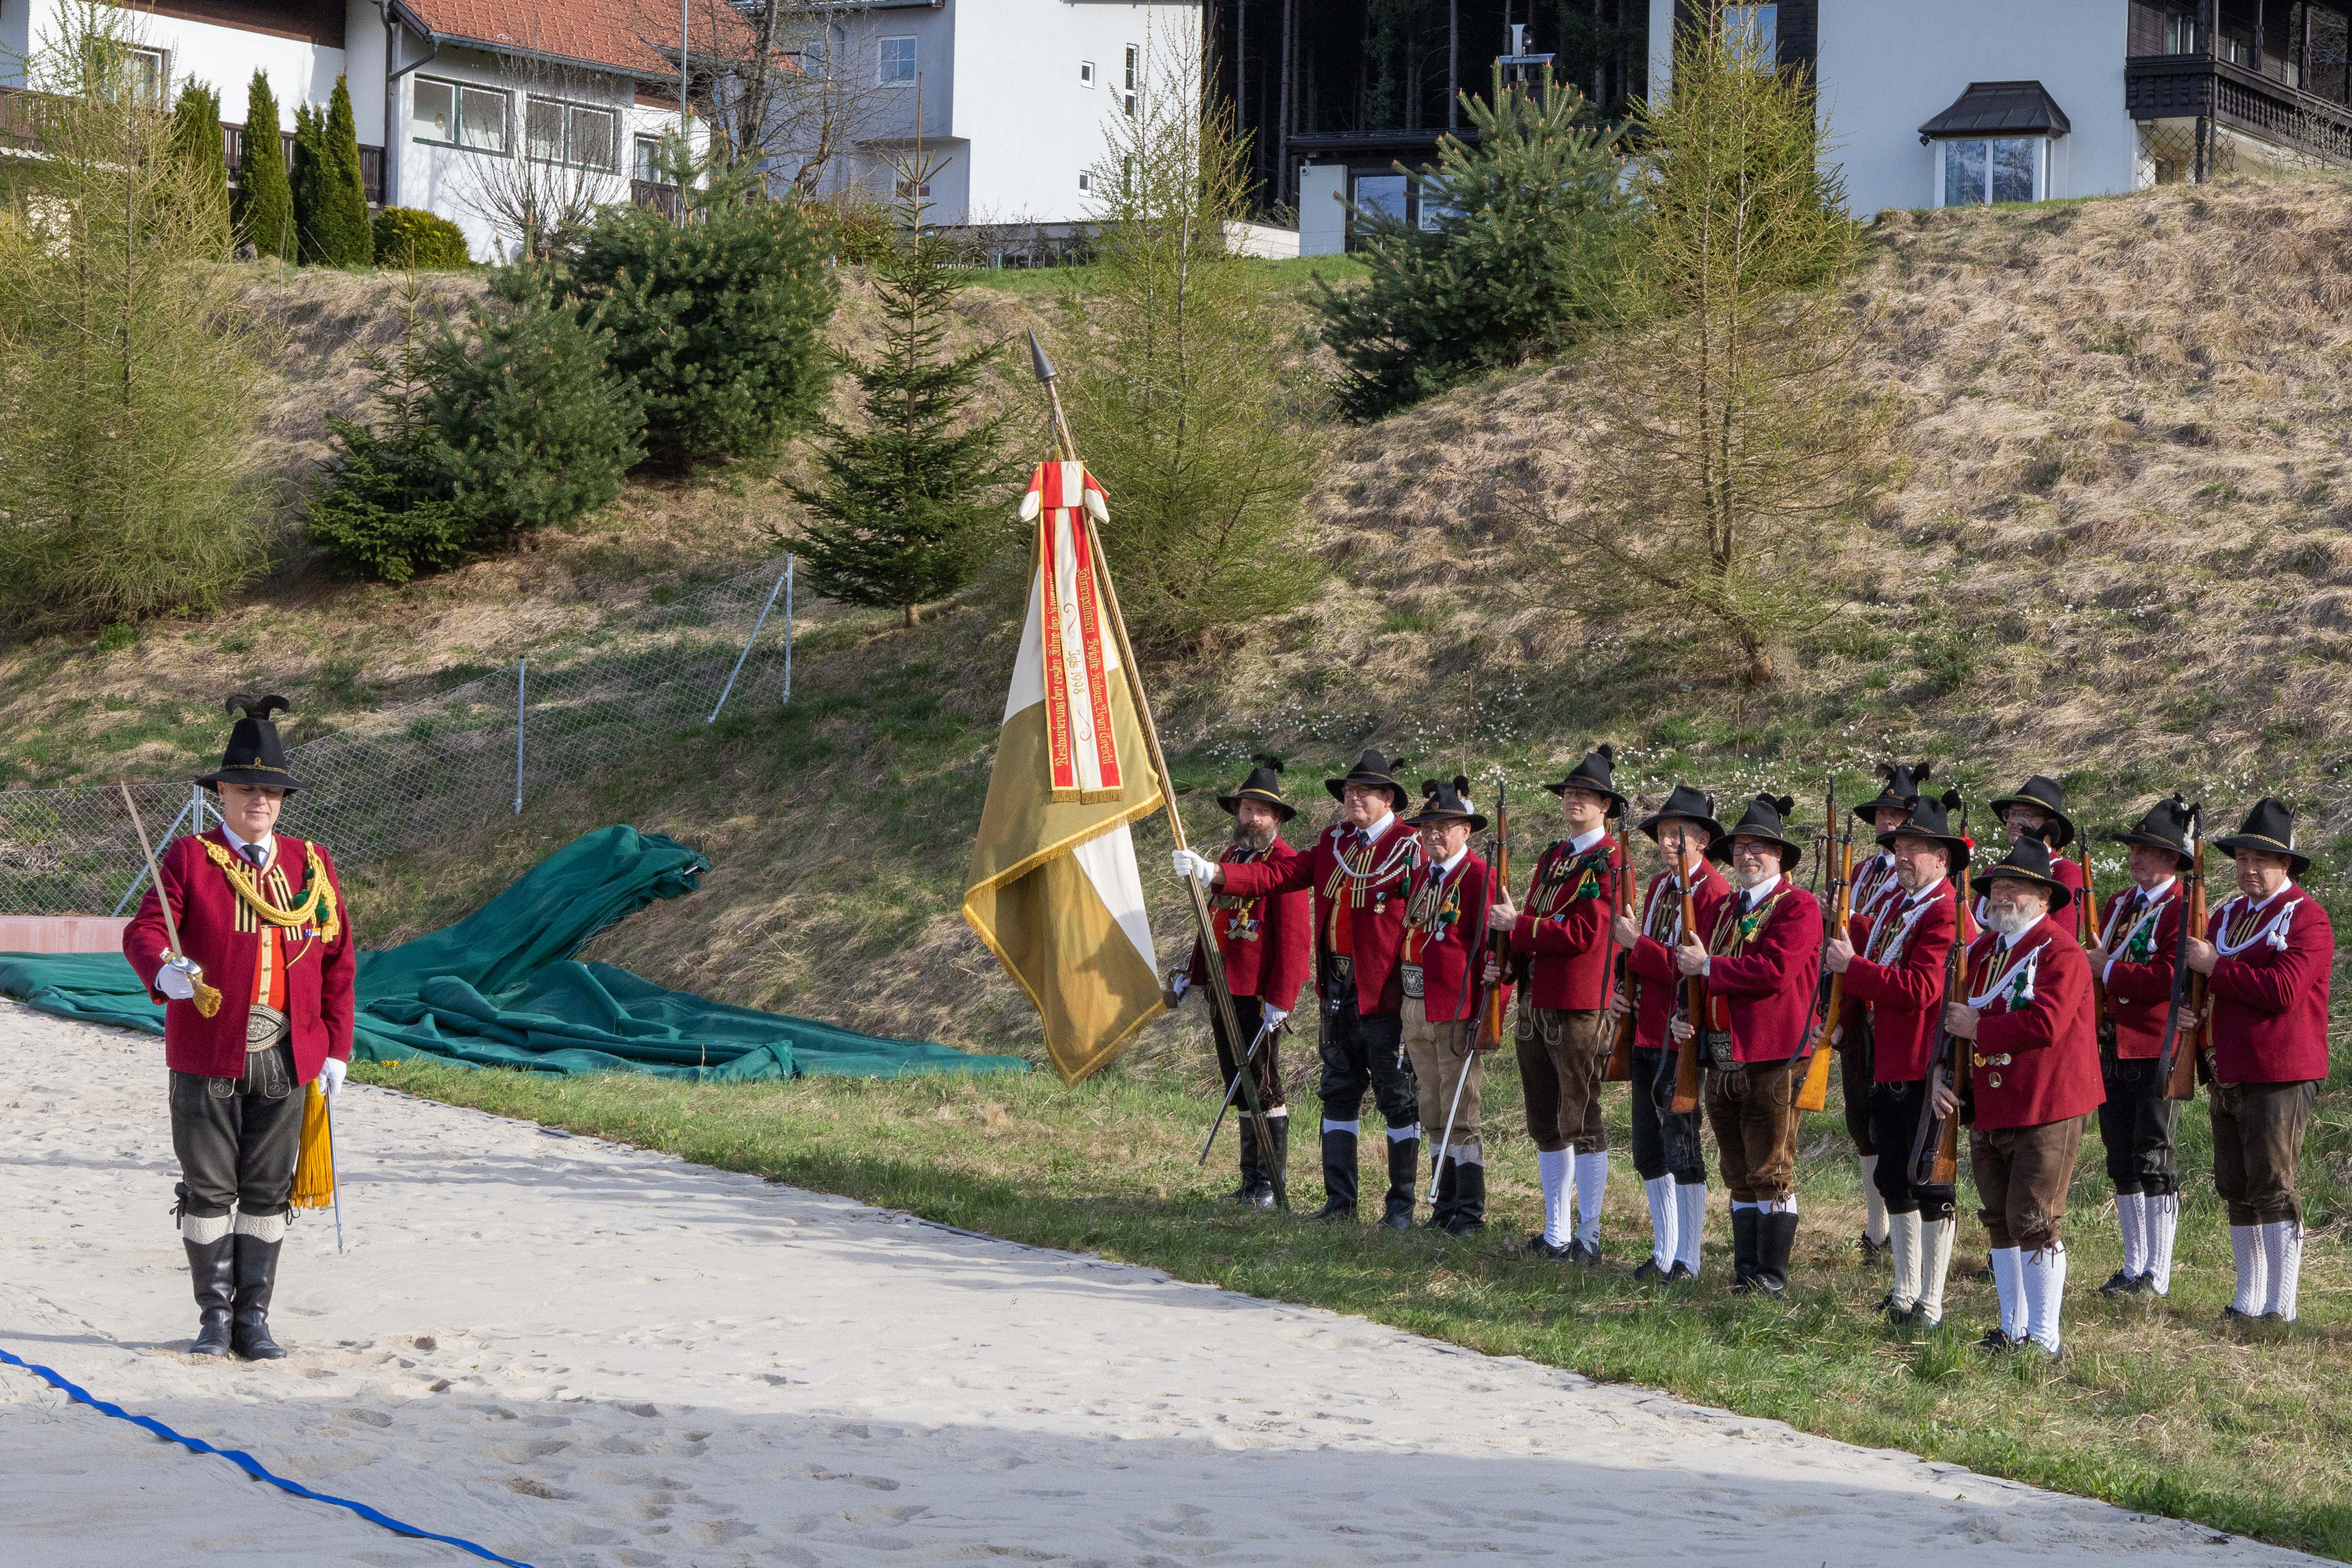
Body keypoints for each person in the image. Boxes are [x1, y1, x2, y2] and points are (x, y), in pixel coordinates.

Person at [124, 695, 356, 1360]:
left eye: (272, 790)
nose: (260, 800)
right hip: (208, 1052)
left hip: (287, 1055)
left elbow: (338, 962)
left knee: (266, 1192)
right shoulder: (190, 860)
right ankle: (213, 1319)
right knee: (207, 1190)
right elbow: (145, 929)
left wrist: (336, 1048)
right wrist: (165, 970)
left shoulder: (311, 866)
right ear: (221, 791)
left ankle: (254, 1320)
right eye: (248, 787)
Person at [1178, 750, 1423, 1228]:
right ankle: (1340, 1202)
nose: (1351, 798)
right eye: (1348, 792)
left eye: (1362, 792)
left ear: (1388, 798)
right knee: (1338, 1093)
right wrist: (1218, 873)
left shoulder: (1409, 846)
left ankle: (1401, 1207)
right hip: (1339, 986)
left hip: (1386, 990)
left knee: (1397, 1098)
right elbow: (1281, 874)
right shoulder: (1335, 842)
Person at [1935, 836, 2100, 1358]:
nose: (2003, 897)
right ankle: (2012, 1329)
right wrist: (1943, 1073)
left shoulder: (2062, 953)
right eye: (1998, 887)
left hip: (2047, 1101)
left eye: (2017, 888)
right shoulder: (1981, 951)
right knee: (1999, 1219)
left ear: (2045, 898)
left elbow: (2046, 1023)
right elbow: (1950, 1020)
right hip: (1991, 1099)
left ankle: (2045, 1339)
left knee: (2034, 1219)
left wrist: (1980, 1028)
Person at [2185, 798, 2334, 1325]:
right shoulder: (2226, 915)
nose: (2249, 869)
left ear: (2285, 866)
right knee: (2236, 1187)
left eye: (2261, 861)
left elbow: (2284, 991)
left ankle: (2282, 1306)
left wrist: (2215, 966)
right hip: (2228, 1067)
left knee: (2273, 1187)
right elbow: (2204, 985)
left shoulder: (2308, 918)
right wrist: (2194, 1011)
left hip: (2281, 1071)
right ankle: (2248, 1300)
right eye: (2243, 859)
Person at [1670, 794, 1823, 1296]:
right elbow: (1696, 974)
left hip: (1774, 1058)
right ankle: (1745, 1274)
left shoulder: (1799, 906)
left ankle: (1772, 1278)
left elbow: (1774, 972)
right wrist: (1683, 1016)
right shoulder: (1728, 907)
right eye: (1738, 848)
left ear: (1780, 856)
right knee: (1736, 1171)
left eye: (1758, 847)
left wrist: (1709, 967)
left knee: (1772, 1170)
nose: (1746, 856)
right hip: (1723, 1056)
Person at [1826, 789, 1965, 1328]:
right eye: (1898, 846)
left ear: (1942, 859)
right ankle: (1905, 1293)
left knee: (1931, 1184)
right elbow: (1860, 936)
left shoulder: (1947, 914)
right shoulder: (1893, 906)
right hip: (1888, 1061)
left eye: (1915, 848)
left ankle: (1932, 1301)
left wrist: (1852, 967)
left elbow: (1919, 989)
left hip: (1926, 1064)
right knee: (1894, 1179)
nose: (1902, 856)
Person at [1490, 746, 1624, 1264]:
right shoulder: (1554, 857)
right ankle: (1557, 1231)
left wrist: (1518, 929)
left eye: (1585, 795)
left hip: (1578, 1006)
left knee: (1583, 1120)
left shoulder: (1610, 861)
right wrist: (1509, 959)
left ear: (1604, 806)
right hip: (1538, 1002)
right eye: (1570, 793)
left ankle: (1588, 1234)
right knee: (1544, 1120)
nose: (1574, 800)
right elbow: (1536, 921)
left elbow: (1586, 934)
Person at [1171, 756, 1310, 1209]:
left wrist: (1282, 996)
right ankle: (1250, 1179)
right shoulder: (1230, 858)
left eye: (1260, 811)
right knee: (1237, 1081)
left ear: (1278, 818)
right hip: (1224, 987)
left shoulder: (1286, 862)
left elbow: (1293, 939)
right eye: (1246, 809)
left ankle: (1271, 1181)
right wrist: (1193, 976)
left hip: (1258, 991)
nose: (1250, 818)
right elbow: (1210, 920)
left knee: (1265, 1084)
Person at [1612, 784, 1728, 1281]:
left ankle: (1691, 1258)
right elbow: (1643, 961)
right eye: (1662, 832)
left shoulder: (1715, 892)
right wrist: (1624, 987)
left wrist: (1636, 947)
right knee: (1648, 1149)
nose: (1667, 841)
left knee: (1683, 1146)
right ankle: (1664, 1252)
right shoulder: (1661, 886)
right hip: (1646, 1030)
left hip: (1681, 1034)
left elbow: (1691, 968)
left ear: (1703, 840)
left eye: (1678, 833)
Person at [2081, 796, 2193, 1297]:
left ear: (2172, 858)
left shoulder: (2183, 910)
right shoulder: (2119, 904)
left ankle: (2159, 1272)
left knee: (2154, 1156)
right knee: (2120, 1157)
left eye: (2148, 850)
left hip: (2155, 1042)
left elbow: (2172, 977)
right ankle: (2132, 1264)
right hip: (2112, 1042)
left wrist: (2108, 970)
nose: (2137, 857)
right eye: (2134, 848)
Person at [1398, 778, 1500, 1234]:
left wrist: (1487, 1009)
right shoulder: (1424, 875)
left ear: (1466, 831)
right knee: (1432, 1107)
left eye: (1444, 827)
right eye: (1428, 828)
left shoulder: (1479, 876)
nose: (1433, 835)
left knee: (1462, 1110)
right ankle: (1442, 1202)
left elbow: (1497, 952)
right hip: (1416, 1004)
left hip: (1458, 1007)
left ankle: (1469, 1209)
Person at [1839, 760, 1930, 1264]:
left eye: (1897, 816)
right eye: (1882, 816)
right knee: (1862, 1121)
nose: (1887, 825)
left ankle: (1901, 1242)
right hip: (1864, 1001)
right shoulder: (1865, 871)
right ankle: (1876, 1231)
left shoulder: (1913, 886)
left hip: (1892, 1003)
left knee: (1897, 1133)